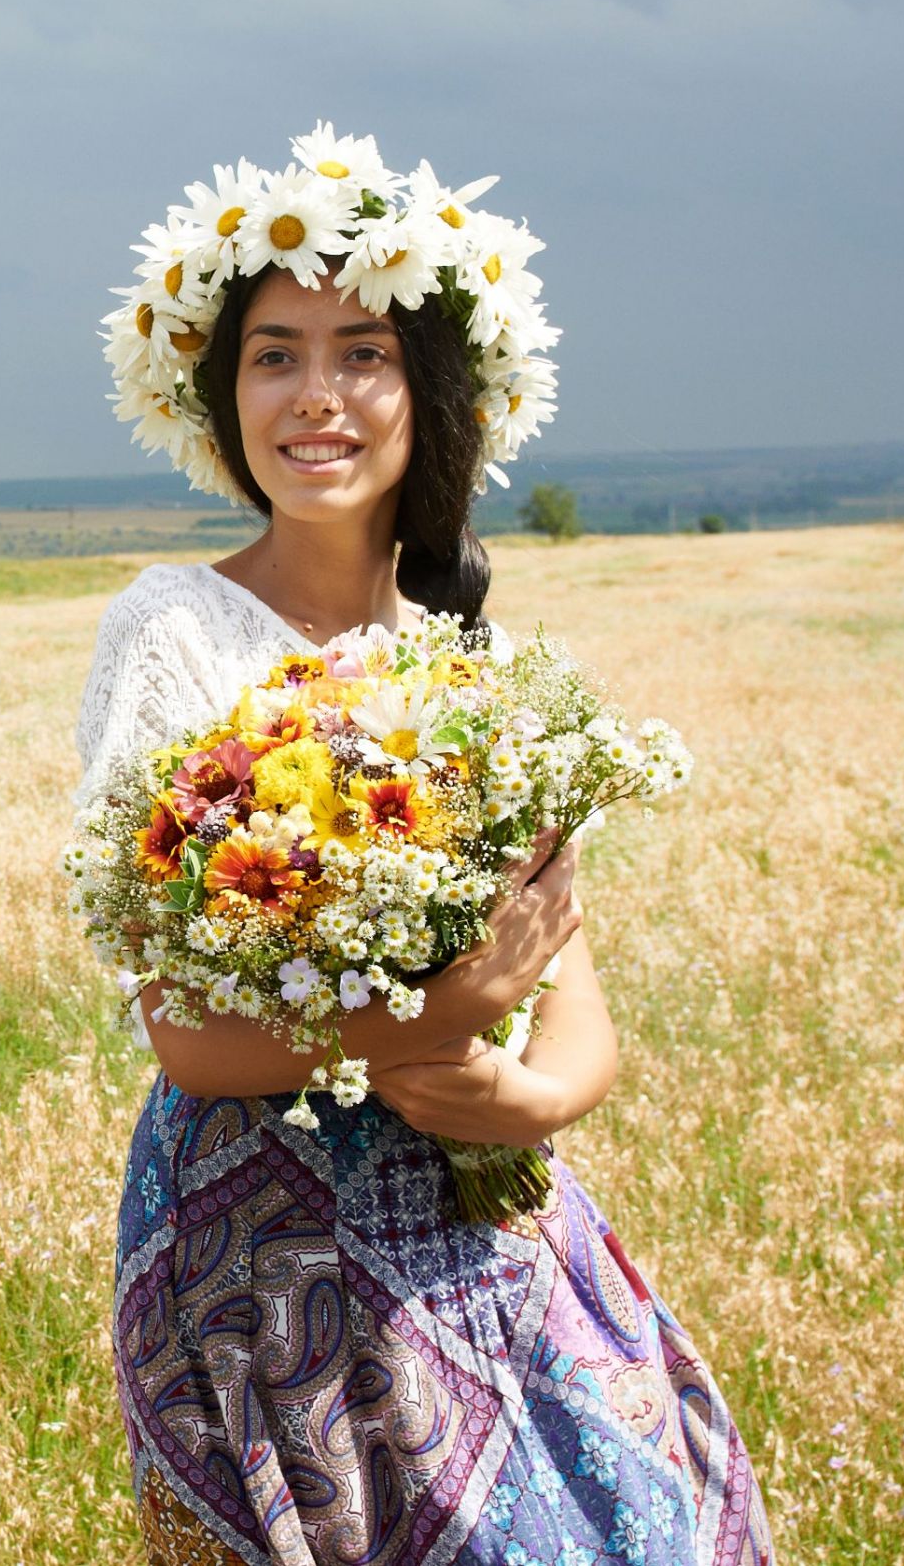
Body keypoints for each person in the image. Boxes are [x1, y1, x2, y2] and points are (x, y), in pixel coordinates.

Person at [70, 128, 771, 1564]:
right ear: (221, 393)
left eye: (363, 352)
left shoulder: (479, 661)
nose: (315, 396)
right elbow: (188, 1039)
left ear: (431, 393)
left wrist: (529, 1101)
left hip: (483, 1235)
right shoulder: (174, 637)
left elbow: (574, 1003)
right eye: (274, 354)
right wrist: (439, 1016)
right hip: (259, 1262)